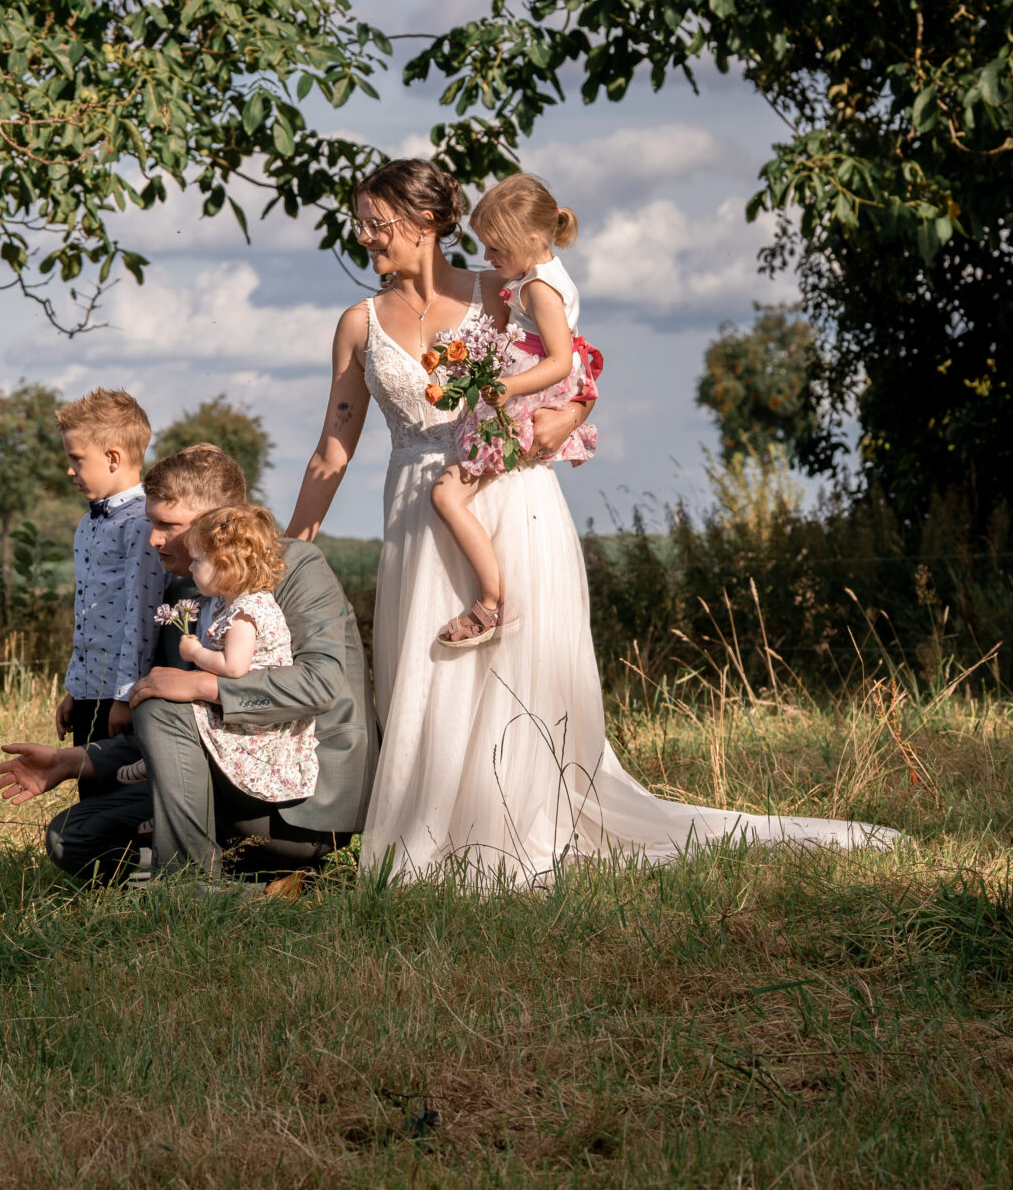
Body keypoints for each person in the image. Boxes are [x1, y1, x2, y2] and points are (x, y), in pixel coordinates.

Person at [284, 158, 896, 886]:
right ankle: (430, 840)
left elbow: (576, 370)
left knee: (516, 679)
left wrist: (569, 413)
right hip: (419, 515)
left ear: (424, 224)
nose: (364, 237)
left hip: (512, 495)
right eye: (361, 223)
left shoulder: (503, 288)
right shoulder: (358, 324)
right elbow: (333, 447)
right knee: (428, 678)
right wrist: (289, 550)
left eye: (376, 223)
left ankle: (516, 830)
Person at [0, 443, 375, 882]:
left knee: (162, 701)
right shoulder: (180, 595)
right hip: (216, 783)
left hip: (299, 804)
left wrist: (207, 687)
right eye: (151, 522)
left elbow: (320, 685)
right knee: (70, 837)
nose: (153, 539)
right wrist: (70, 762)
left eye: (168, 525)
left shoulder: (295, 567)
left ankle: (187, 886)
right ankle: (255, 886)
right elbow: (176, 731)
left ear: (218, 523)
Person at [427, 173, 605, 647]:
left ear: (529, 239)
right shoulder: (542, 275)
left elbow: (561, 360)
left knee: (446, 496)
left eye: (496, 249)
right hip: (529, 393)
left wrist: (507, 386)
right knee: (452, 496)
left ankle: (490, 601)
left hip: (525, 400)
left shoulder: (539, 288)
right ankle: (492, 597)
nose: (487, 258)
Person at [169, 503, 320, 807]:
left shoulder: (245, 614)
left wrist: (196, 653)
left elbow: (234, 668)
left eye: (198, 560)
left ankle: (171, 788)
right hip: (250, 709)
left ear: (225, 565)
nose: (190, 568)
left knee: (180, 709)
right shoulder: (238, 605)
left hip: (258, 724)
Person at [53, 389, 163, 782]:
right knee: (87, 782)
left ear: (113, 458)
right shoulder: (89, 524)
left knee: (115, 786)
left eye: (76, 460)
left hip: (120, 693)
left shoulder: (143, 523)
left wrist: (124, 695)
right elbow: (89, 614)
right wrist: (74, 689)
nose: (69, 471)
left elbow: (141, 613)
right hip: (90, 688)